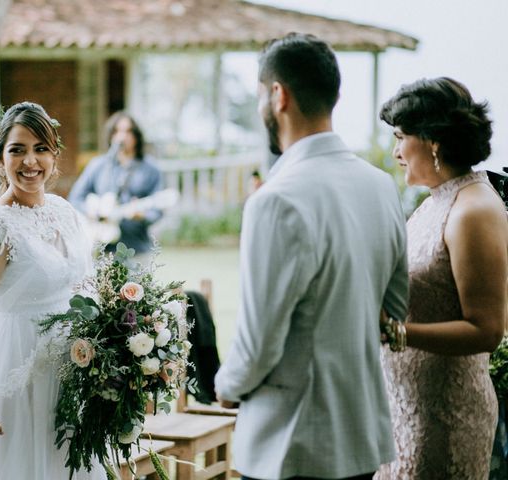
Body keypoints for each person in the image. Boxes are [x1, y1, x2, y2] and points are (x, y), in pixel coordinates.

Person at [214, 33, 408, 480]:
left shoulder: (275, 200)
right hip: (359, 437)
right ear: (334, 95)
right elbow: (394, 308)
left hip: (291, 443)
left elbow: (259, 342)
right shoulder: (381, 186)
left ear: (278, 96)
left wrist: (225, 388)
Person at [0, 102, 106, 480]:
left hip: (72, 372)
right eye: (17, 150)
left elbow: (87, 285)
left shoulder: (65, 211)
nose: (29, 161)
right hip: (20, 373)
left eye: (40, 149)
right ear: (0, 159)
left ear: (54, 155)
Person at [375, 77, 507, 479]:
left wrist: (397, 333)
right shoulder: (438, 198)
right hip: (407, 405)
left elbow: (486, 329)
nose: (396, 151)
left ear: (433, 140)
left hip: (444, 414)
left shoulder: (474, 211)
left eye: (401, 137)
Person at [68, 111, 163, 256]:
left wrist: (142, 215)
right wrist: (91, 211)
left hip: (137, 248)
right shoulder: (98, 165)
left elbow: (158, 208)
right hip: (102, 249)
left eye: (128, 131)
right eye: (117, 131)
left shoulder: (151, 169)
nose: (122, 137)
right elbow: (75, 198)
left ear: (136, 136)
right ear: (110, 135)